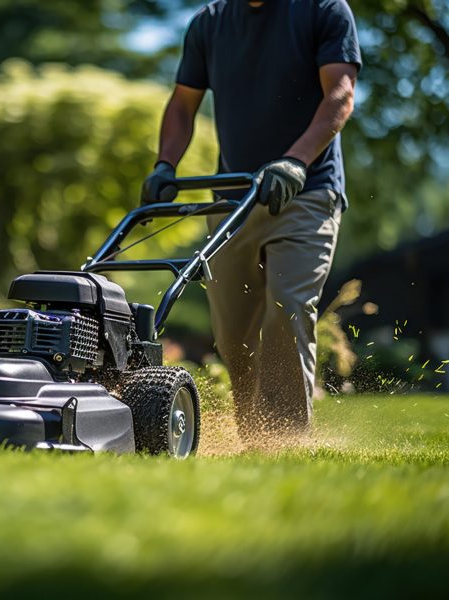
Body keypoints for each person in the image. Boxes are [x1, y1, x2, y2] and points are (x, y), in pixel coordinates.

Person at [141, 0, 361, 445]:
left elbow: (340, 94)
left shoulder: (323, 10)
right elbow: (183, 104)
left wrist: (295, 161)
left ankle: (282, 443)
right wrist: (166, 164)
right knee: (233, 333)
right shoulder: (210, 23)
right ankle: (255, 440)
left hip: (306, 191)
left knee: (287, 308)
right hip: (234, 197)